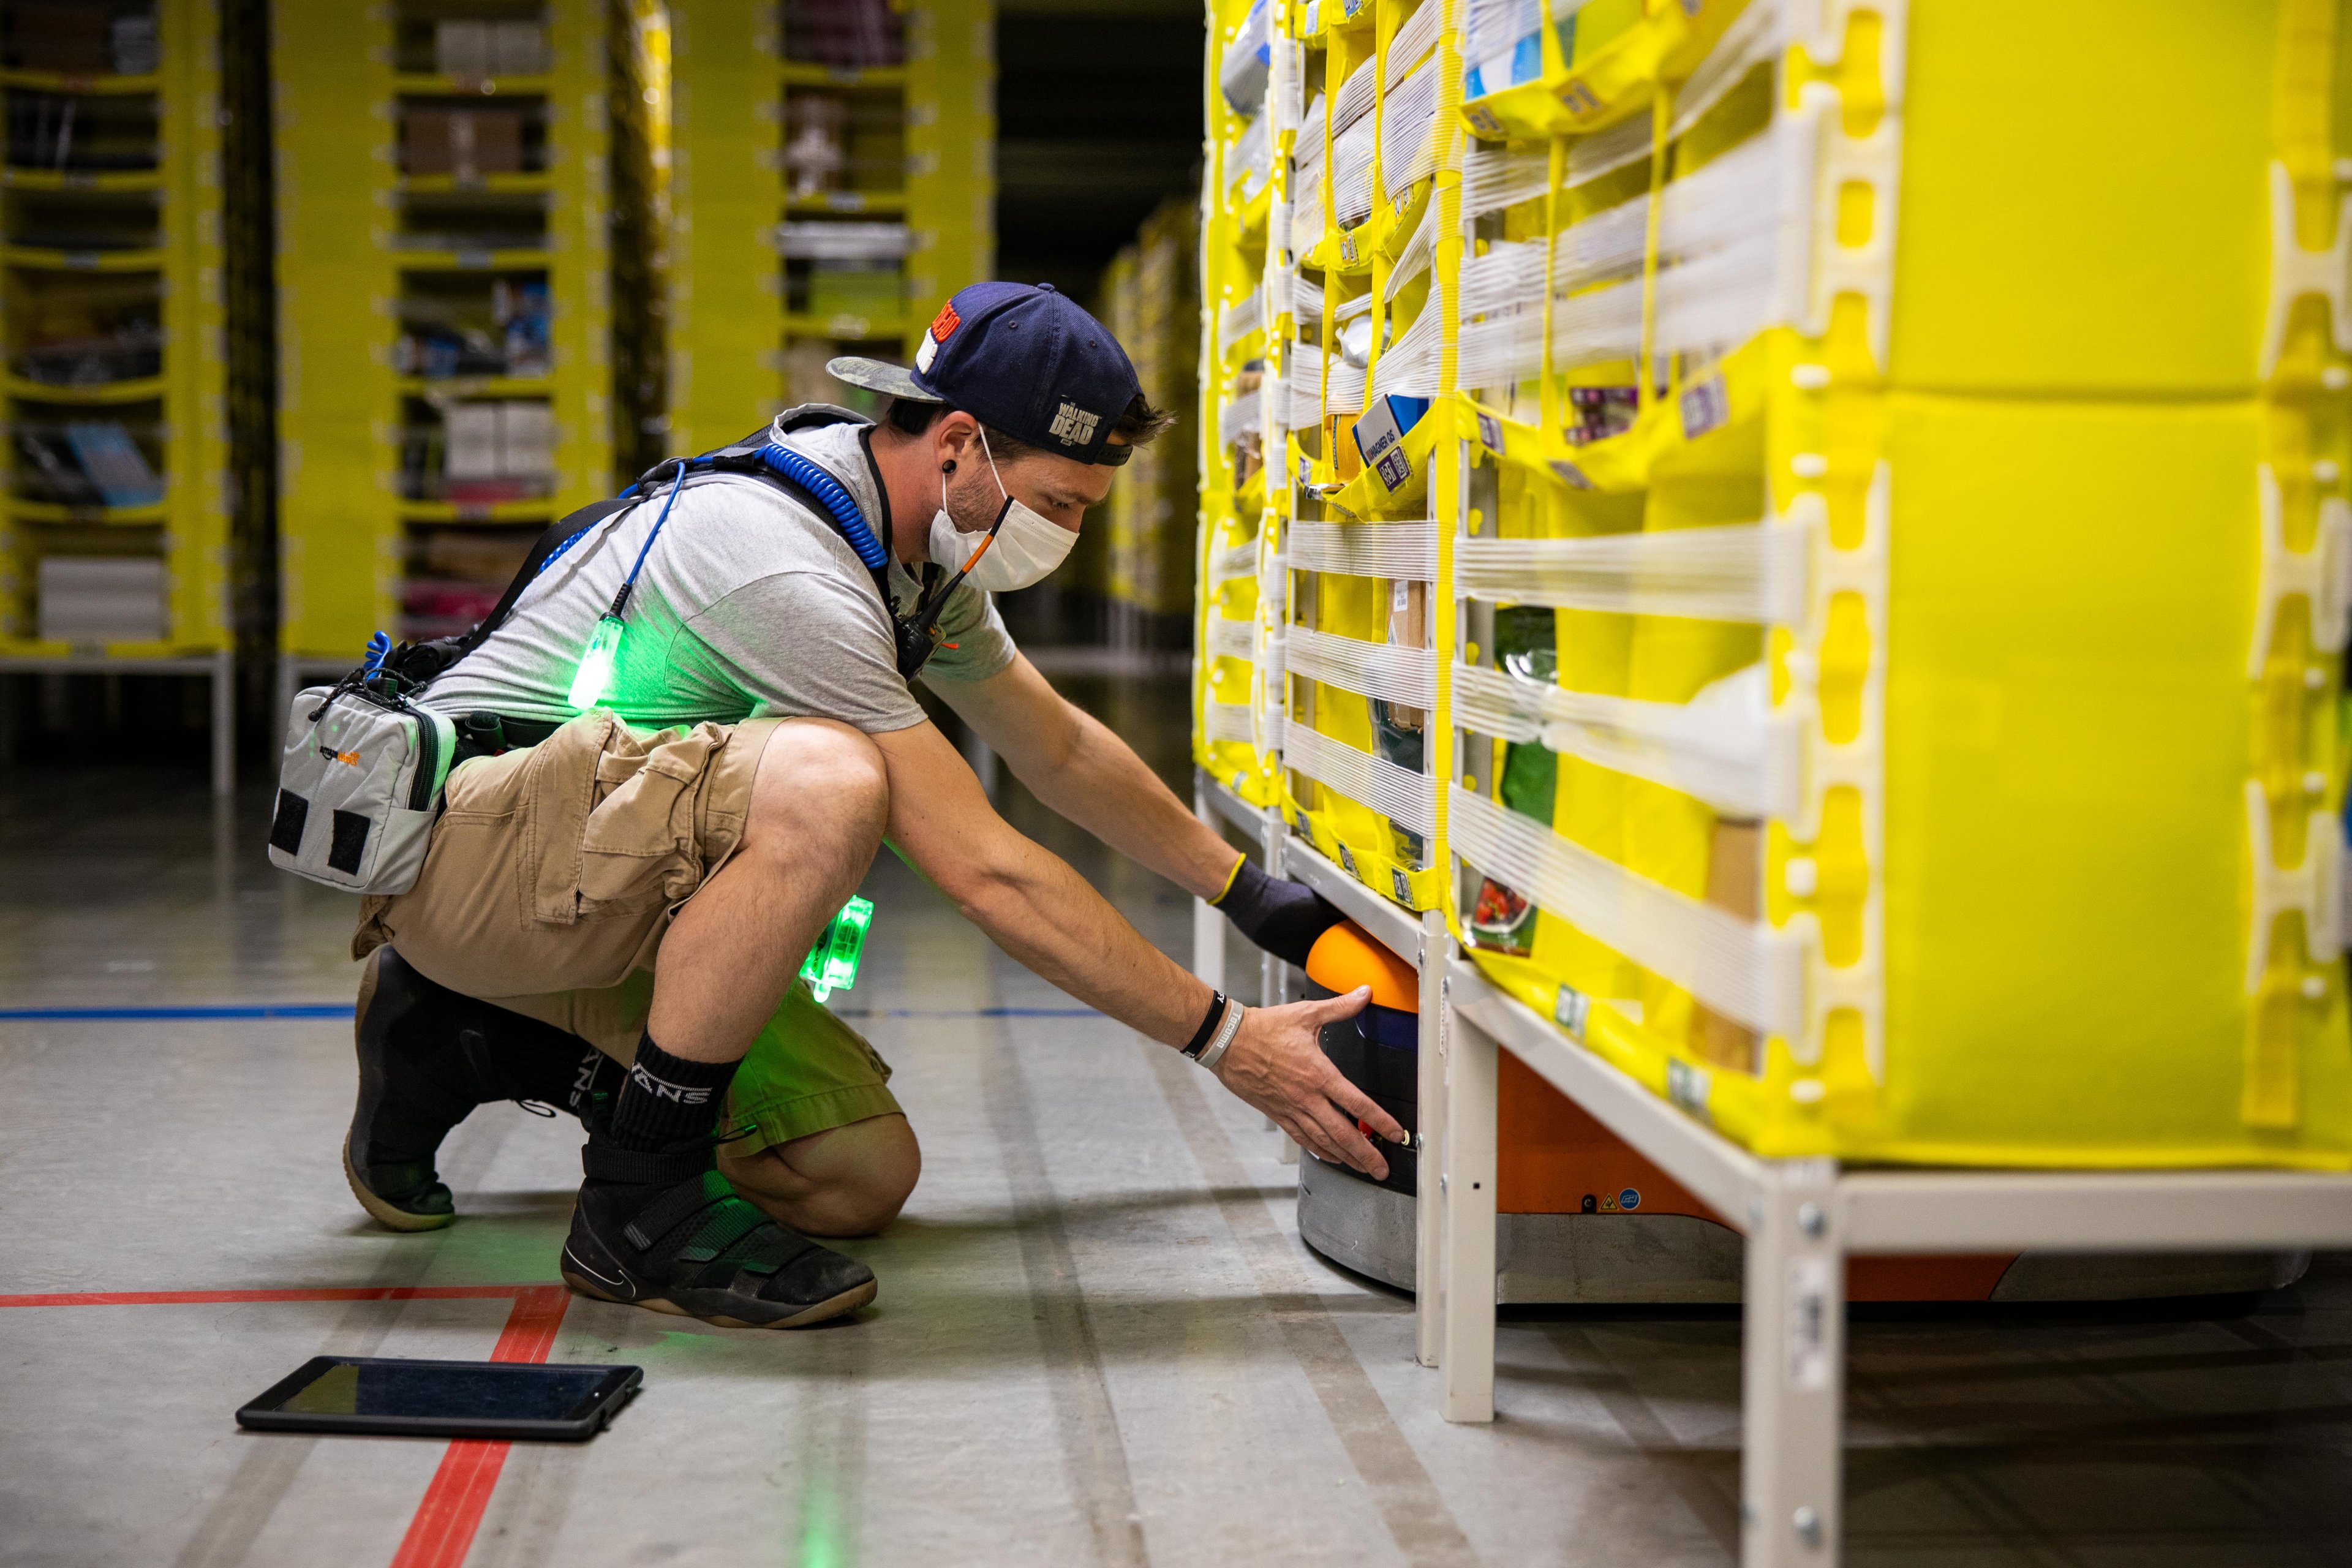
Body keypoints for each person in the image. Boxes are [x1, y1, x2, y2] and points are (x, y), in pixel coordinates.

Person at [341, 281, 1406, 1330]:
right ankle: (637, 1206)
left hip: (593, 875)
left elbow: (1061, 748)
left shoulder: (907, 557)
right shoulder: (784, 567)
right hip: (469, 863)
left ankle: (462, 1032)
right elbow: (984, 870)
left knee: (853, 1178)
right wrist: (1227, 1039)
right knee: (832, 781)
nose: (1070, 533)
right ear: (957, 446)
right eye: (1060, 504)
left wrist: (1254, 896)